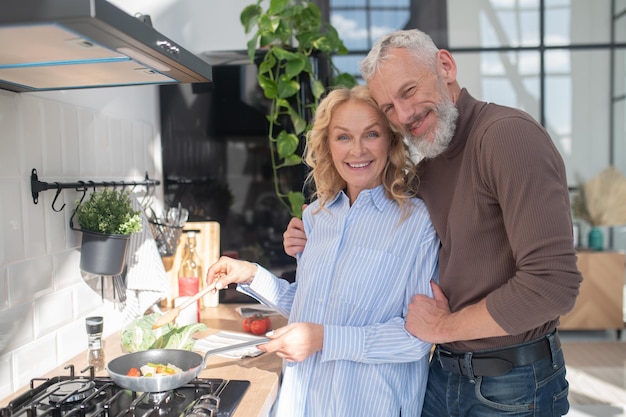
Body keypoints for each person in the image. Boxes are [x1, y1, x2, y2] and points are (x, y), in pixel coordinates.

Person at [283, 29, 583, 416]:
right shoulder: (428, 168)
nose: (404, 115)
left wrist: (444, 328)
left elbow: (554, 284)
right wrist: (318, 236)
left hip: (513, 382)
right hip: (443, 377)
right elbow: (381, 225)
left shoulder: (506, 136)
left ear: (445, 66)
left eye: (408, 91)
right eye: (389, 107)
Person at [206, 85, 439, 417]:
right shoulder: (317, 216)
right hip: (302, 400)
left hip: (371, 405)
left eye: (371, 134)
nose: (357, 150)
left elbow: (416, 338)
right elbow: (311, 307)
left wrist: (323, 339)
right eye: (343, 137)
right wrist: (251, 275)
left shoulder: (416, 223)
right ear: (328, 145)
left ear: (390, 140)